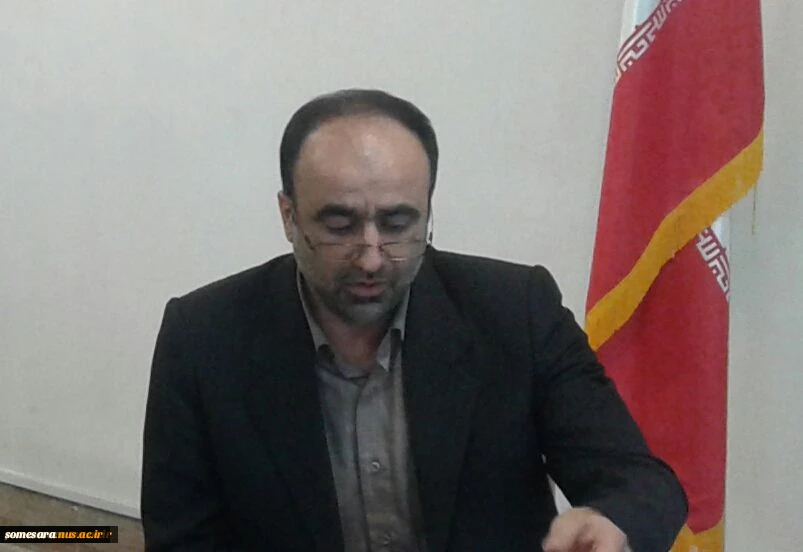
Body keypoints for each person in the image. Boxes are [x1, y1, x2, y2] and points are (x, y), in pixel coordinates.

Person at [141, 89, 687, 551]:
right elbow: (182, 539)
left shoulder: (515, 311)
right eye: (339, 225)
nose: (371, 256)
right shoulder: (203, 339)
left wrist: (614, 522)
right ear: (288, 215)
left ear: (429, 210)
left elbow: (640, 481)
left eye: (398, 223)